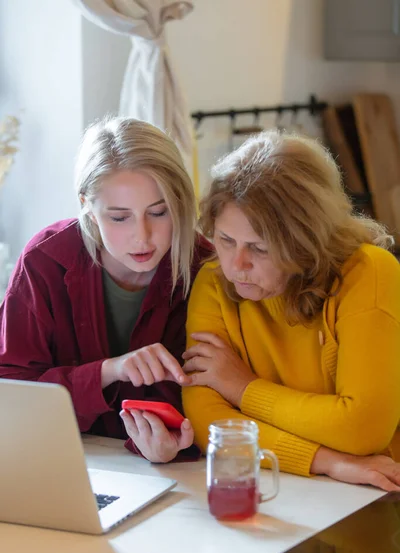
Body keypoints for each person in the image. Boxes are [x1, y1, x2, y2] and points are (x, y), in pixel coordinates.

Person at [182, 130, 400, 491]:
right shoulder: (213, 281)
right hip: (295, 481)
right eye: (225, 240)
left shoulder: (370, 273)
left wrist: (243, 388)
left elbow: (362, 429)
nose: (237, 265)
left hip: (376, 491)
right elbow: (211, 424)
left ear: (305, 241)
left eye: (260, 248)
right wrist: (330, 462)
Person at [0, 117, 211, 463]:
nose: (142, 236)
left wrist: (169, 442)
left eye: (159, 212)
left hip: (178, 475)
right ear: (88, 207)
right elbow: (11, 391)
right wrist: (109, 370)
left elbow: (214, 396)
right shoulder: (45, 261)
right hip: (58, 462)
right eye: (119, 217)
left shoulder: (205, 266)